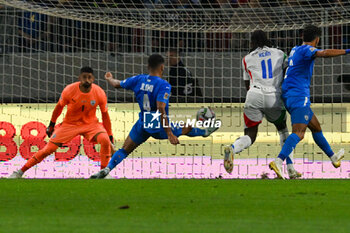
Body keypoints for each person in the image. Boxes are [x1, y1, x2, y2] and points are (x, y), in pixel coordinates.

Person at [90, 54, 219, 179]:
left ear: (148, 66)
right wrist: (169, 133)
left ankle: (107, 169)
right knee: (186, 128)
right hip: (156, 123)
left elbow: (117, 84)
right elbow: (161, 108)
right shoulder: (164, 85)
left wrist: (109, 78)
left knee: (124, 149)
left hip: (143, 121)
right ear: (162, 67)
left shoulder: (139, 79)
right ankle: (204, 131)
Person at [269, 25, 348, 179]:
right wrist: (347, 51)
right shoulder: (307, 50)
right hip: (298, 95)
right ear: (317, 39)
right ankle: (278, 161)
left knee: (316, 127)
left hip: (289, 94)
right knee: (299, 133)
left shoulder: (294, 49)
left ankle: (333, 157)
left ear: (302, 37)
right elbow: (324, 53)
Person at [9, 67, 114, 178]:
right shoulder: (69, 90)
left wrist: (110, 135)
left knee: (104, 139)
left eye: (89, 77)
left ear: (93, 79)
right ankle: (20, 172)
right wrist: (51, 125)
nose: (87, 80)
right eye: (84, 77)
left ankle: (103, 173)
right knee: (49, 149)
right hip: (70, 125)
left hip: (91, 124)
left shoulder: (99, 92)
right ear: (79, 78)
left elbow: (105, 115)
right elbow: (59, 107)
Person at [223, 30, 301, 179]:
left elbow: (248, 84)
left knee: (250, 135)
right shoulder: (279, 53)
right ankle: (291, 169)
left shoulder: (246, 59)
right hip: (274, 96)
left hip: (253, 96)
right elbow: (288, 74)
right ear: (267, 39)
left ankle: (233, 148)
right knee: (283, 129)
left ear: (252, 42)